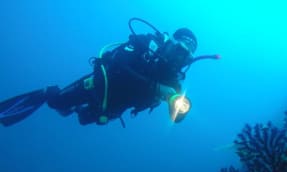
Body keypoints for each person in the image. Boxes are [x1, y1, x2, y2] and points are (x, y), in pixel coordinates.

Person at [0, 18, 220, 127]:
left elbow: (176, 117)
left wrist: (179, 106)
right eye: (179, 50)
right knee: (57, 103)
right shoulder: (145, 45)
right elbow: (121, 65)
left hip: (111, 109)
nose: (179, 58)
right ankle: (44, 93)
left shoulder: (173, 79)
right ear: (170, 42)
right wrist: (156, 88)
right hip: (97, 86)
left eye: (185, 56)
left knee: (81, 118)